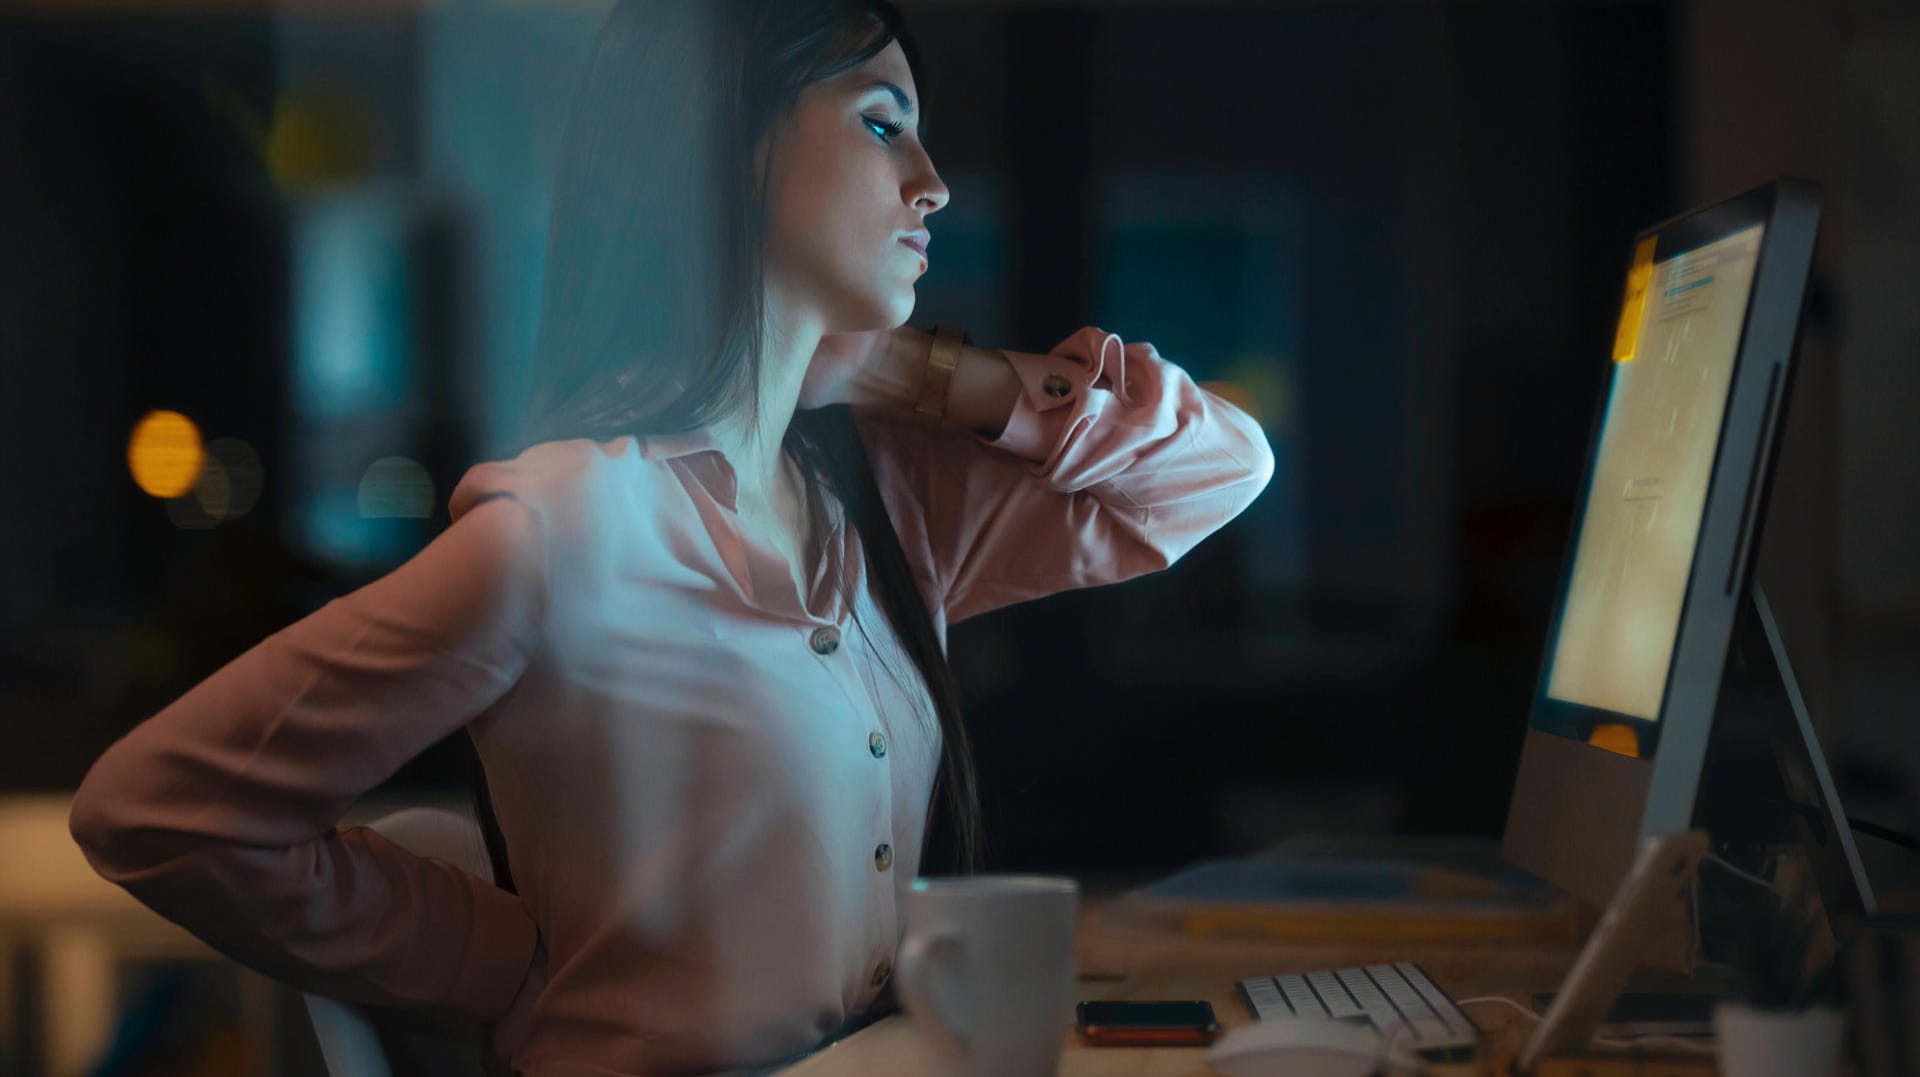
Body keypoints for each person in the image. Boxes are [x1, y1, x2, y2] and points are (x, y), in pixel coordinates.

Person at [67, 1, 1275, 1073]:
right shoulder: (569, 530)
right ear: (733, 145)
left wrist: (934, 377)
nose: (933, 180)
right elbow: (159, 809)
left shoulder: (877, 513)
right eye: (879, 123)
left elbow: (1218, 472)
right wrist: (506, 964)